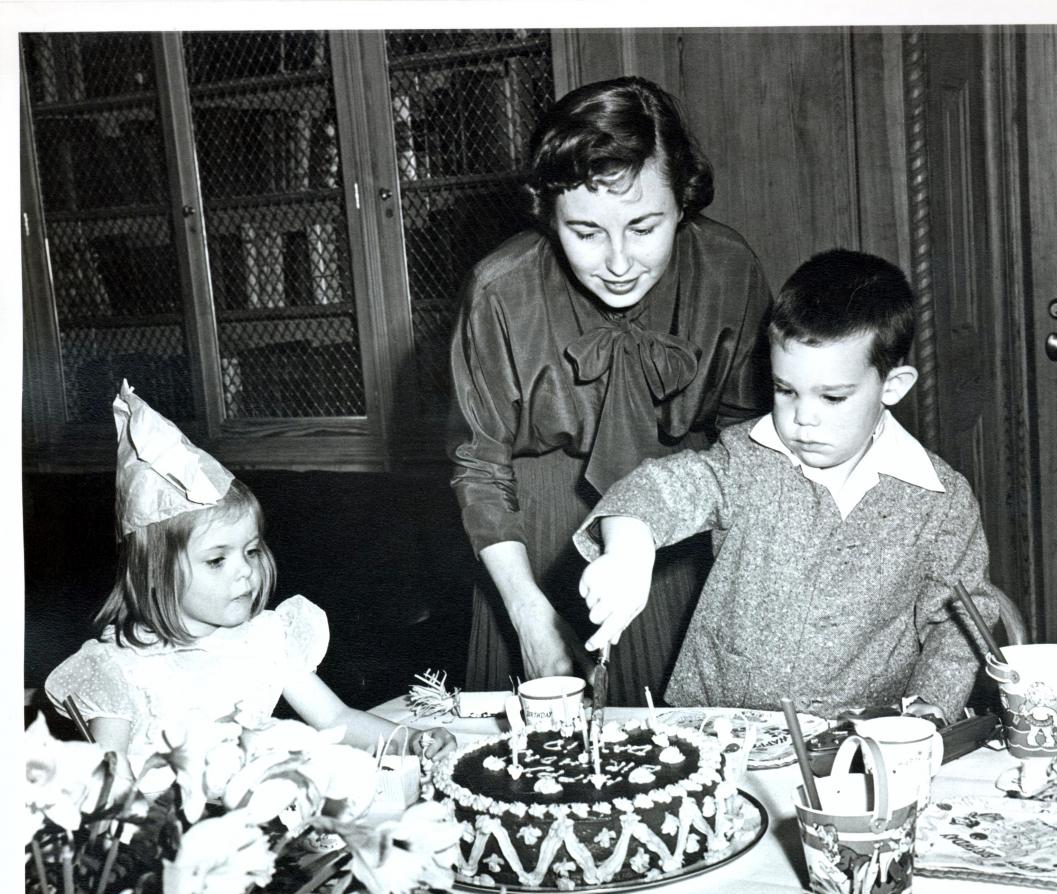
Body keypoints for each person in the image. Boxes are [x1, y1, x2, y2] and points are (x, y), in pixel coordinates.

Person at [448, 76, 772, 704]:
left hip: (676, 545)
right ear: (548, 213)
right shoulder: (499, 291)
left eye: (645, 227)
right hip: (530, 549)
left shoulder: (730, 268)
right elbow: (481, 469)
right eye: (586, 232)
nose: (619, 262)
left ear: (684, 201)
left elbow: (750, 442)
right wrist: (529, 615)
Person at [572, 249, 1001, 722]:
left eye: (832, 397)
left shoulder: (940, 501)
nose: (803, 418)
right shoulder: (746, 459)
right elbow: (663, 489)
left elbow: (961, 621)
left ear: (893, 385)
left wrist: (930, 705)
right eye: (785, 390)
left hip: (858, 738)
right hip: (721, 722)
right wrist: (629, 548)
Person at [45, 381, 455, 781]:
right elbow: (105, 790)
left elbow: (337, 719)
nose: (245, 570)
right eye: (217, 560)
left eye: (252, 551)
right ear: (157, 574)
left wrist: (413, 740)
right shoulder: (120, 667)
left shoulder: (264, 639)